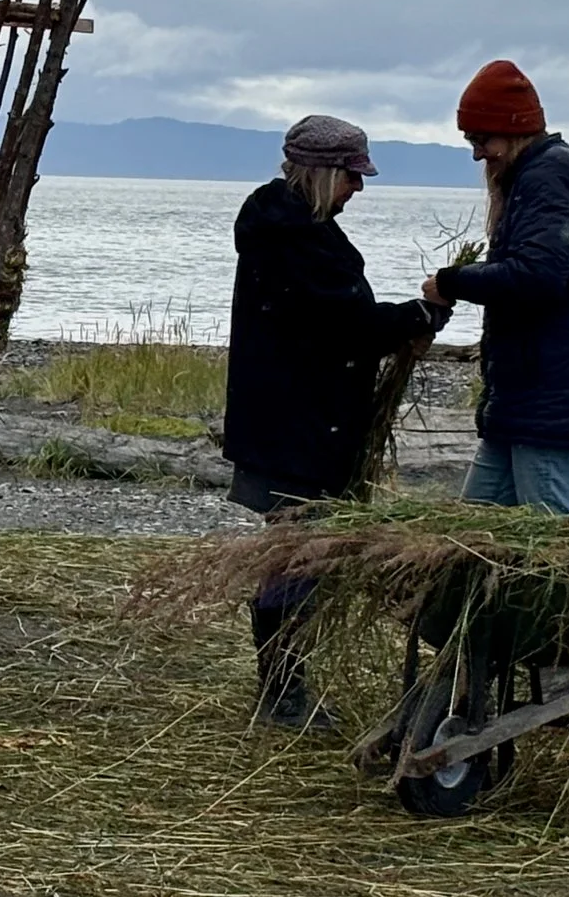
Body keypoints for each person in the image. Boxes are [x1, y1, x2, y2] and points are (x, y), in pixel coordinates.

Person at [222, 114, 453, 728]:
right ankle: (284, 695)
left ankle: (284, 690)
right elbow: (346, 326)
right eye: (352, 175)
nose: (358, 188)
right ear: (324, 173)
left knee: (297, 554)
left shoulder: (293, 227)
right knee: (299, 558)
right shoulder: (294, 238)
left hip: (289, 422)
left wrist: (412, 320)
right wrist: (419, 316)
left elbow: (337, 322)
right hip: (297, 428)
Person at [424, 59, 569, 517]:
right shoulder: (534, 175)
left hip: (554, 408)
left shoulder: (548, 174)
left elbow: (538, 275)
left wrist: (453, 281)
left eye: (482, 140)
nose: (478, 154)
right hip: (523, 403)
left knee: (552, 544)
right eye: (471, 141)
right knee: (473, 537)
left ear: (513, 130)